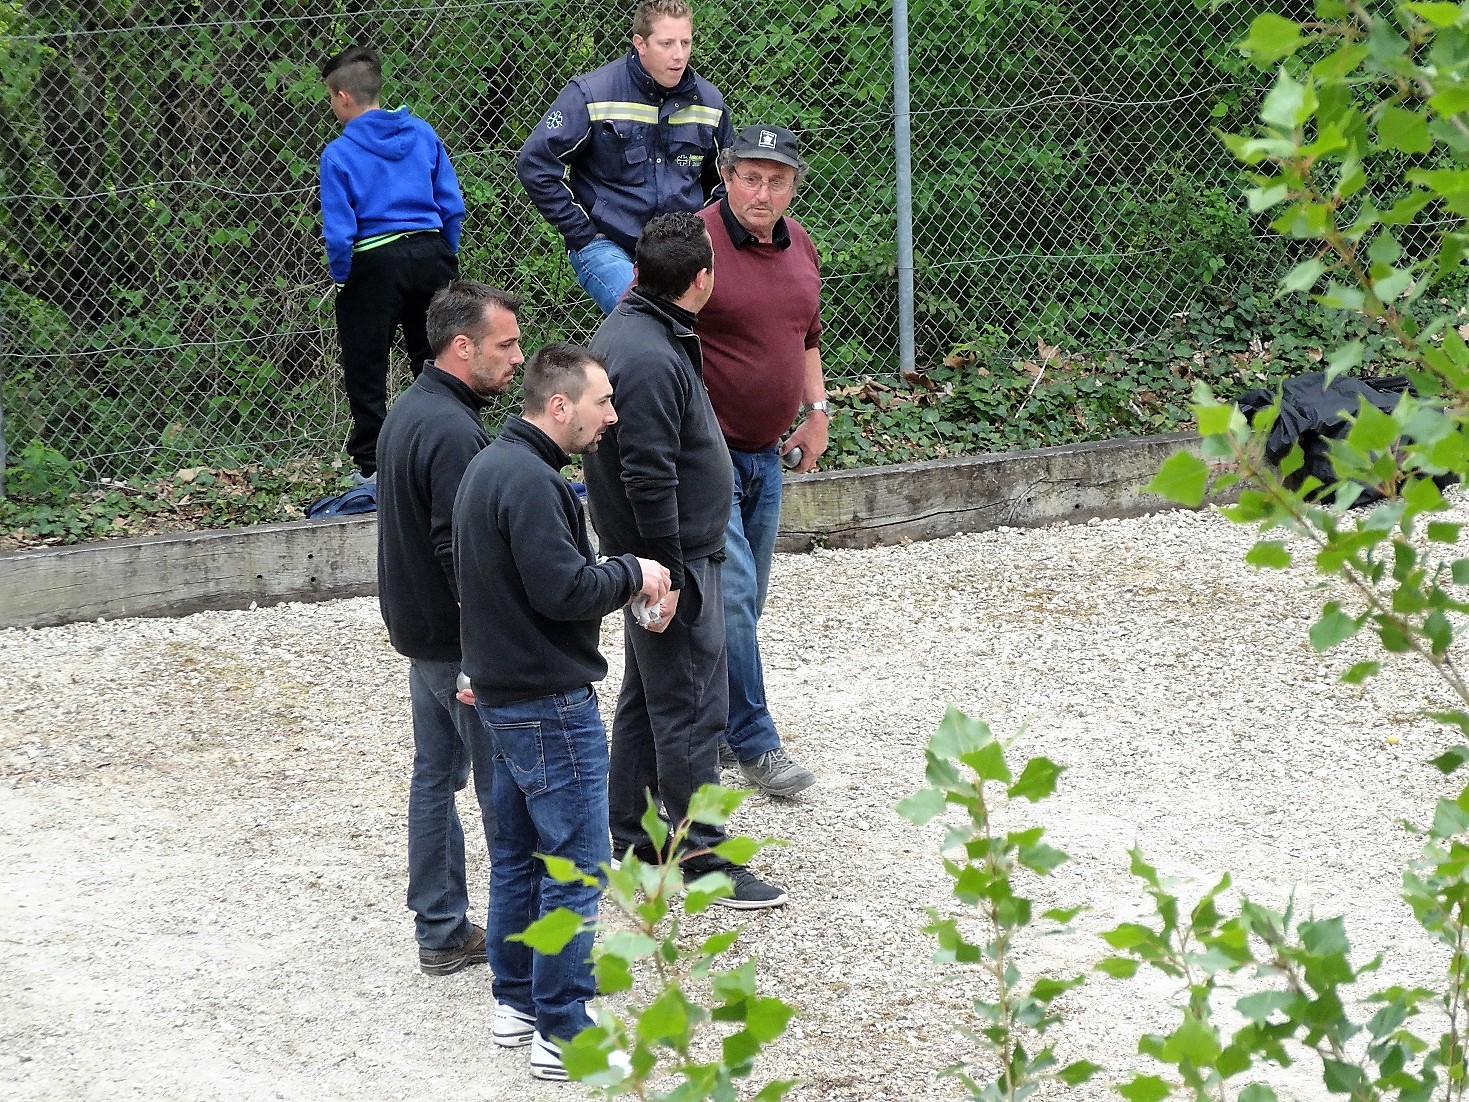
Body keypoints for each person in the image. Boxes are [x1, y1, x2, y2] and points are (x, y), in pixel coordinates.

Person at [454, 343, 671, 1081]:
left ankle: (516, 1000)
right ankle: (565, 1030)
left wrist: (478, 663)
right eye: (602, 402)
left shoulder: (490, 468)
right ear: (558, 407)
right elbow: (561, 591)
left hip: (501, 696)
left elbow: (483, 583)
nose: (611, 415)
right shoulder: (532, 482)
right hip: (547, 705)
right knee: (575, 869)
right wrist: (633, 571)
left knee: (517, 856)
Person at [583, 211, 788, 908]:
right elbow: (647, 473)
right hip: (674, 561)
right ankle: (700, 856)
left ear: (639, 272)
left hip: (664, 556)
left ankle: (633, 837)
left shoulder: (643, 332)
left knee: (648, 700)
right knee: (693, 704)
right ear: (701, 279)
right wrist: (664, 573)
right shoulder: (644, 354)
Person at [376, 281, 524, 975]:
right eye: (506, 344)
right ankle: (520, 944)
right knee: (503, 787)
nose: (517, 359)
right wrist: (485, 653)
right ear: (462, 346)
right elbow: (457, 549)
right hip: (456, 647)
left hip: (420, 633)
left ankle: (439, 929)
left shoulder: (411, 408)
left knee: (435, 775)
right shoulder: (452, 429)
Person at [695, 124, 826, 798]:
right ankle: (756, 745)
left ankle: (712, 723)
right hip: (707, 455)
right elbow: (649, 329)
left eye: (776, 179)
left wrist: (818, 412)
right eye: (750, 176)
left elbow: (805, 335)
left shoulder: (799, 243)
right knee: (736, 597)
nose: (762, 190)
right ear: (725, 176)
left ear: (792, 186)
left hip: (767, 457)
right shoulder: (694, 241)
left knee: (743, 603)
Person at [516, 0, 733, 314]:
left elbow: (727, 179)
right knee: (643, 316)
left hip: (684, 247)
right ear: (640, 44)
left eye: (686, 42)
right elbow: (535, 163)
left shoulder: (709, 102)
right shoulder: (593, 93)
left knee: (725, 318)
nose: (679, 54)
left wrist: (705, 236)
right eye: (667, 43)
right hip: (611, 244)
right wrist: (583, 232)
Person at [320, 45, 466, 482]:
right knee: (438, 357)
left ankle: (373, 467)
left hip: (373, 260)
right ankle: (449, 452)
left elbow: (340, 232)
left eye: (330, 97)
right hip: (430, 252)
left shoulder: (339, 154)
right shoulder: (423, 134)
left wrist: (345, 277)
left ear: (344, 96)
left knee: (367, 365)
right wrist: (445, 256)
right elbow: (451, 205)